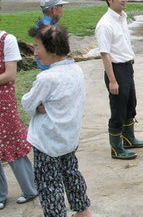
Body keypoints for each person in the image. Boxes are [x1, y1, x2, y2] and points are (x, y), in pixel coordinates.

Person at [21, 25, 91, 217]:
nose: (35, 52)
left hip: (47, 143)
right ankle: (83, 210)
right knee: (71, 173)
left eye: (37, 47)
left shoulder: (46, 78)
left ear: (51, 49)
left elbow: (27, 103)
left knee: (48, 183)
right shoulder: (76, 70)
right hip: (68, 138)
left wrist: (37, 106)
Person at [95, 0, 143, 160]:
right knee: (117, 109)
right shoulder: (105, 24)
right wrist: (112, 80)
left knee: (130, 104)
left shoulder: (122, 17)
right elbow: (105, 54)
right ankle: (116, 148)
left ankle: (129, 138)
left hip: (127, 67)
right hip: (116, 70)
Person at [0, 30, 38, 210]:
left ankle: (30, 188)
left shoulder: (7, 40)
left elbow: (10, 74)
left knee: (13, 141)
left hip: (3, 101)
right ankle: (1, 194)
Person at [35, 0, 69, 70]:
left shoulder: (41, 24)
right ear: (54, 10)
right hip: (52, 68)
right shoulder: (50, 29)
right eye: (61, 7)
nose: (62, 11)